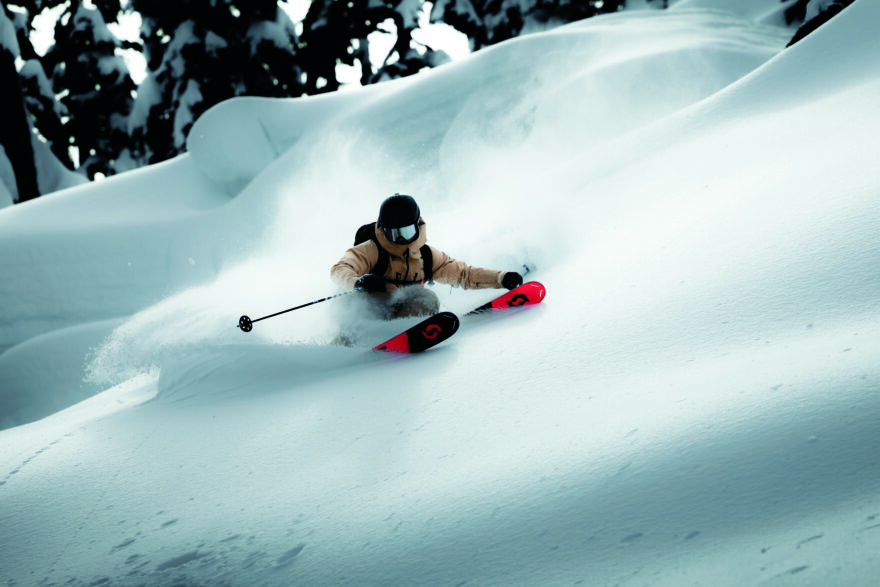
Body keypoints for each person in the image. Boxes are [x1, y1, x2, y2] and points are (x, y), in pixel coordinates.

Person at [331, 193, 523, 319]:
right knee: (352, 305)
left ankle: (403, 331)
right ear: (383, 230)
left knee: (426, 297)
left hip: (399, 315)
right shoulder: (371, 250)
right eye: (394, 234)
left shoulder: (427, 256)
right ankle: (350, 347)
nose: (401, 240)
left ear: (417, 226)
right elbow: (339, 269)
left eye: (406, 232)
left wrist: (501, 278)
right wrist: (358, 282)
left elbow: (463, 275)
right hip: (369, 312)